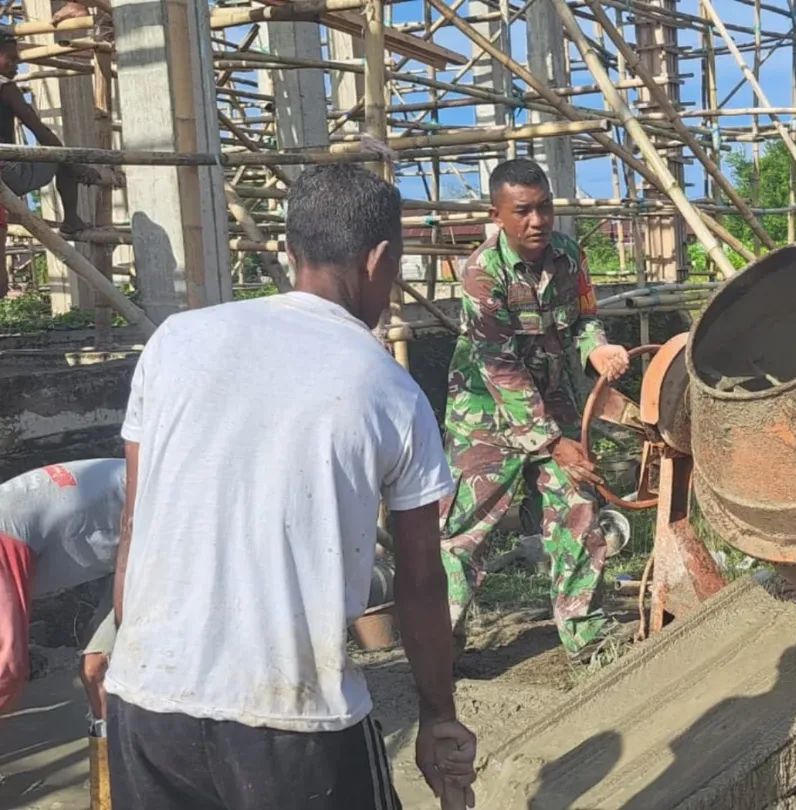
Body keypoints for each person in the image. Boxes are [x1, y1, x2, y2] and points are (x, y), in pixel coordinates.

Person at [105, 164, 476, 810]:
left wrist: (127, 659)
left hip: (146, 707)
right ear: (379, 259)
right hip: (292, 722)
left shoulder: (173, 343)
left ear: (289, 250)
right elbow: (420, 579)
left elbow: (133, 527)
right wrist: (438, 715)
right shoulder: (390, 390)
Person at [440, 158, 631, 661]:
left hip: (552, 398)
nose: (538, 221)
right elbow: (499, 366)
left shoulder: (569, 256)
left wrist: (597, 349)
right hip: (485, 414)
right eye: (523, 211)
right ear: (497, 215)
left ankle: (587, 635)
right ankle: (439, 649)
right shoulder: (483, 272)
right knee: (464, 531)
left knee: (578, 507)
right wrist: (552, 442)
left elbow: (585, 318)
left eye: (544, 207)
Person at [0, 458, 124, 721]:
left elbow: (8, 667)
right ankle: (110, 744)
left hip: (166, 536)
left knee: (99, 668)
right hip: (129, 541)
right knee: (95, 671)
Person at [0, 24, 100, 297]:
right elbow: (38, 129)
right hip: (7, 173)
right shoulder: (5, 87)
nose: (15, 67)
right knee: (60, 155)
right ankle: (71, 219)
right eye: (11, 59)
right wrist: (75, 165)